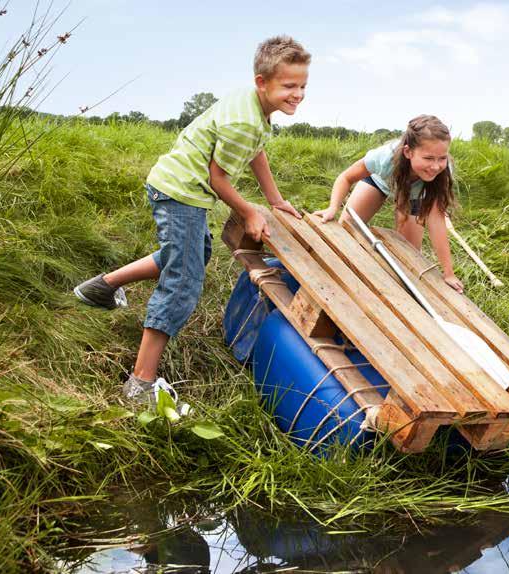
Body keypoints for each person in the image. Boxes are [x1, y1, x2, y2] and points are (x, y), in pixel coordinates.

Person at [72, 36, 311, 404]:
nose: (298, 94)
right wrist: (249, 211)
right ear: (262, 82)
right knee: (182, 283)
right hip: (180, 192)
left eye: (303, 86)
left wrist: (274, 200)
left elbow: (255, 151)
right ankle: (140, 385)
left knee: (191, 255)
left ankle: (101, 287)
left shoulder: (255, 108)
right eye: (289, 86)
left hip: (176, 187)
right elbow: (218, 178)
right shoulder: (244, 122)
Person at [313, 115, 464, 293]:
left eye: (442, 158)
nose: (436, 166)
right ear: (408, 152)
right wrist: (333, 208)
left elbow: (437, 222)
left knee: (408, 258)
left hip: (414, 196)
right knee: (347, 230)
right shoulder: (385, 158)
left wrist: (448, 273)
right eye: (429, 158)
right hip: (380, 183)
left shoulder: (441, 173)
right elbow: (346, 177)